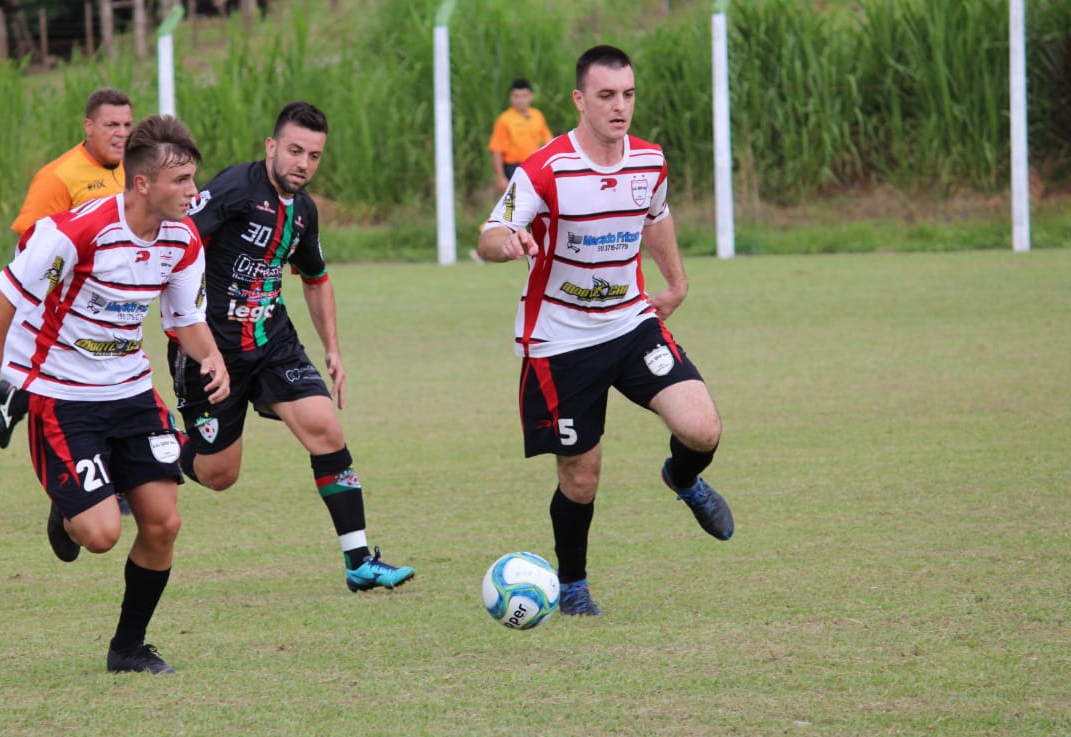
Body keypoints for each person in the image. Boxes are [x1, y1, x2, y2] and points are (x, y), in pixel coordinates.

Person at [0, 115, 231, 674]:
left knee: (164, 523)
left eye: (193, 179)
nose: (193, 192)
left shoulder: (183, 238)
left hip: (130, 391)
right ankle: (69, 506)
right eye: (181, 181)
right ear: (143, 183)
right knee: (101, 535)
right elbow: (4, 291)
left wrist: (211, 354)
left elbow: (183, 318)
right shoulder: (77, 231)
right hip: (60, 394)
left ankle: (127, 649)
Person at [476, 45, 734, 618]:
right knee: (581, 478)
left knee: (703, 428)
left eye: (628, 95)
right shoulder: (544, 168)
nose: (620, 107)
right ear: (579, 100)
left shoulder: (649, 160)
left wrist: (677, 281)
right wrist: (509, 243)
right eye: (606, 96)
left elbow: (656, 216)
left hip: (632, 323)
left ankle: (683, 479)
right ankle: (572, 585)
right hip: (560, 342)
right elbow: (490, 233)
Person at [168, 100, 415, 593]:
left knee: (326, 429)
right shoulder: (234, 188)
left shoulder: (303, 212)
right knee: (219, 475)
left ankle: (359, 561)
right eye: (295, 151)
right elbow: (177, 245)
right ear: (272, 146)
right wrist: (185, 329)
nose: (303, 163)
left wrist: (333, 350)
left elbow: (316, 280)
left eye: (314, 155)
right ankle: (152, 445)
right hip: (212, 350)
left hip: (273, 341)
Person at [0, 88, 137, 515]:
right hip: (66, 311)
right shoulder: (59, 176)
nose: (121, 134)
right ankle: (89, 487)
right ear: (88, 127)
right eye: (111, 125)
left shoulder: (136, 170)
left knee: (116, 384)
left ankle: (15, 395)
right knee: (82, 392)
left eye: (128, 125)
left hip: (116, 306)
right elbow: (31, 247)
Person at [488, 77, 553, 193]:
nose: (520, 100)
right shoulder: (504, 120)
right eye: (516, 96)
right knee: (513, 206)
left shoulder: (538, 116)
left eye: (524, 96)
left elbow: (549, 142)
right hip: (514, 168)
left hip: (535, 166)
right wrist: (501, 177)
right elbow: (496, 150)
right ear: (511, 97)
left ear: (531, 96)